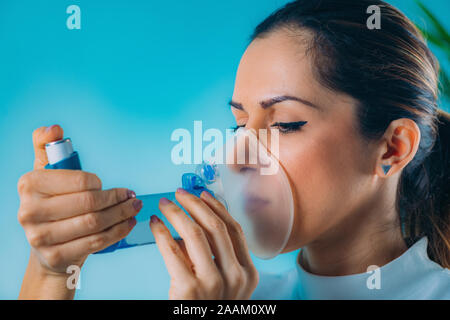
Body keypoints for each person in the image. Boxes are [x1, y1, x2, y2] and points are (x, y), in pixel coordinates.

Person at [18, 0, 450, 299]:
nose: (238, 157)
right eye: (240, 125)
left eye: (284, 124)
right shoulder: (235, 294)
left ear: (392, 149)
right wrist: (52, 270)